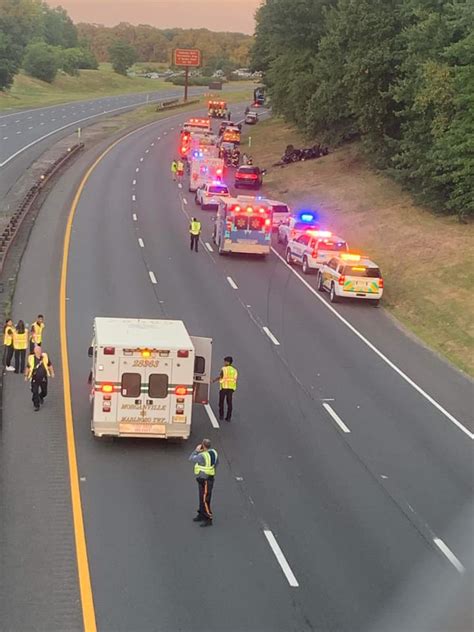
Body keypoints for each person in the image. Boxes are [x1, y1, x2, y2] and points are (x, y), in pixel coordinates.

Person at [189, 438, 218, 527]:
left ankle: (209, 518)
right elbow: (216, 464)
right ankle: (201, 514)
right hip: (208, 478)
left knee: (205, 500)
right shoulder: (214, 452)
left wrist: (196, 450)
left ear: (203, 445)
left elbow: (191, 458)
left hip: (205, 480)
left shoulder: (202, 456)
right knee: (202, 497)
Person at [25, 345, 54, 411]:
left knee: (45, 392)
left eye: (40, 351)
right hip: (35, 378)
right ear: (35, 352)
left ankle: (40, 396)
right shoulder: (31, 358)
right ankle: (36, 405)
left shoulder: (45, 357)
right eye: (37, 351)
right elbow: (28, 367)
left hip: (43, 378)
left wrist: (52, 372)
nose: (39, 352)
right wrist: (26, 376)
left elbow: (49, 365)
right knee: (35, 391)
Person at [213, 356, 238, 422]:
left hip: (224, 387)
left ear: (227, 362)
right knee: (229, 403)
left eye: (225, 361)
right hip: (231, 388)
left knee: (221, 402)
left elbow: (221, 376)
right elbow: (235, 379)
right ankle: (228, 417)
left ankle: (221, 415)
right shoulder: (235, 370)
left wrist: (214, 380)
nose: (224, 362)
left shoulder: (224, 369)